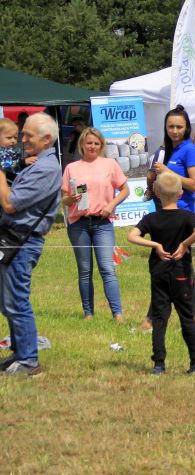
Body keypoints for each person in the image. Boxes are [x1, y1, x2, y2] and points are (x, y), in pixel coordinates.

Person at [0, 113, 62, 376]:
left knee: (17, 302)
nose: (22, 140)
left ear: (47, 140)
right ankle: (19, 353)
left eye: (28, 135)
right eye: (21, 134)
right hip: (13, 239)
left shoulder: (47, 168)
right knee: (8, 302)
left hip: (22, 243)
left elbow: (10, 203)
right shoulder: (36, 164)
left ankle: (29, 361)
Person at [128, 172, 195, 376]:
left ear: (156, 192)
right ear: (180, 193)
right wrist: (184, 244)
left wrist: (155, 245)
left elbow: (132, 236)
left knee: (160, 319)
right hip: (181, 273)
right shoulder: (187, 216)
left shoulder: (151, 218)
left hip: (159, 273)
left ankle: (159, 364)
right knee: (187, 317)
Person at [143, 106, 195, 333]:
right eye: (171, 127)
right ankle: (184, 317)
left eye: (179, 126)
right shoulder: (168, 149)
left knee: (174, 266)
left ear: (186, 127)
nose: (175, 131)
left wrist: (168, 171)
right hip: (165, 212)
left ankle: (156, 319)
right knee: (173, 265)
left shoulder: (189, 150)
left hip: (183, 215)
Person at [61, 127, 129, 320]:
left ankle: (117, 314)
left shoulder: (110, 164)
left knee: (107, 268)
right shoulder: (71, 168)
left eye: (96, 143)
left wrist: (112, 204)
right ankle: (88, 314)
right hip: (78, 224)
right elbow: (64, 199)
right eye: (89, 142)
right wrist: (70, 199)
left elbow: (125, 189)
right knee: (84, 270)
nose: (92, 146)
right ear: (82, 144)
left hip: (102, 223)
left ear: (101, 145)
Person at [0, 118, 32, 182]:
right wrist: (23, 162)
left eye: (15, 138)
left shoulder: (10, 150)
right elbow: (7, 165)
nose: (13, 141)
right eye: (9, 138)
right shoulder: (1, 152)